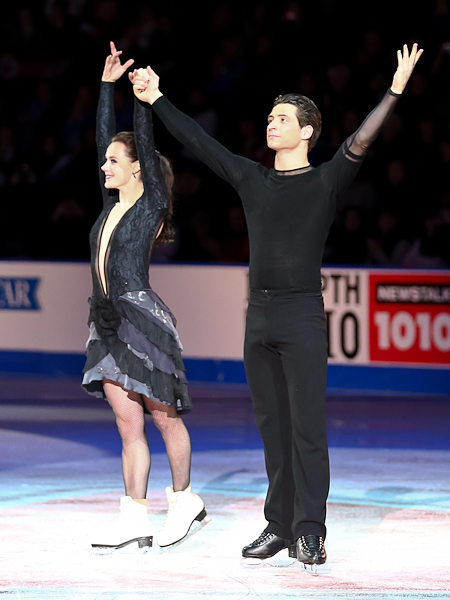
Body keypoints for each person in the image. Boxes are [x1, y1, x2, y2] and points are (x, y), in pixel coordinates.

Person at [130, 43, 423, 568]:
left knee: (307, 427)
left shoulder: (327, 179)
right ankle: (279, 526)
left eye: (283, 118)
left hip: (302, 314)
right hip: (258, 316)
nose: (272, 123)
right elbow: (200, 141)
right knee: (272, 429)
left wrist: (395, 90)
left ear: (307, 131)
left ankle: (311, 529)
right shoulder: (253, 178)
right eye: (270, 116)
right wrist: (156, 99)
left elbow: (362, 139)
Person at [82, 43, 207, 552]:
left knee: (162, 414)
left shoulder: (149, 200)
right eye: (106, 160)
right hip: (105, 320)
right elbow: (99, 141)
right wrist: (106, 86)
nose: (106, 165)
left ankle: (184, 502)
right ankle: (133, 516)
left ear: (138, 170)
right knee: (126, 421)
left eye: (116, 160)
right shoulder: (110, 203)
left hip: (142, 315)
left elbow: (144, 138)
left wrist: (141, 98)